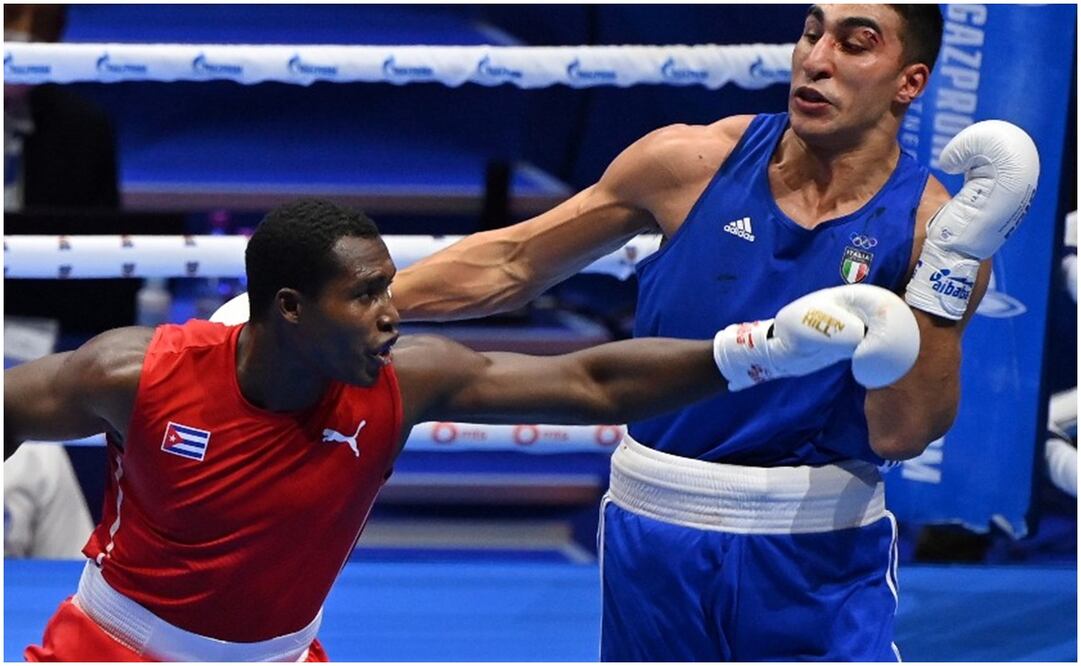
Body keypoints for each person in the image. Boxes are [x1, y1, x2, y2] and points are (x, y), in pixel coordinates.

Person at [386, 4, 1039, 660]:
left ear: (909, 82)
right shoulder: (691, 162)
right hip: (657, 536)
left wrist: (948, 269)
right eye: (812, 33)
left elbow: (902, 434)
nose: (816, 60)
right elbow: (513, 262)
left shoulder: (934, 232)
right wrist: (369, 310)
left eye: (855, 44)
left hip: (818, 554)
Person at [3, 198, 919, 661]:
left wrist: (761, 350)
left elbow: (590, 382)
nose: (391, 312)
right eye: (364, 295)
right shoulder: (138, 374)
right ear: (288, 308)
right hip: (109, 649)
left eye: (388, 287)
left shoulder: (400, 381)